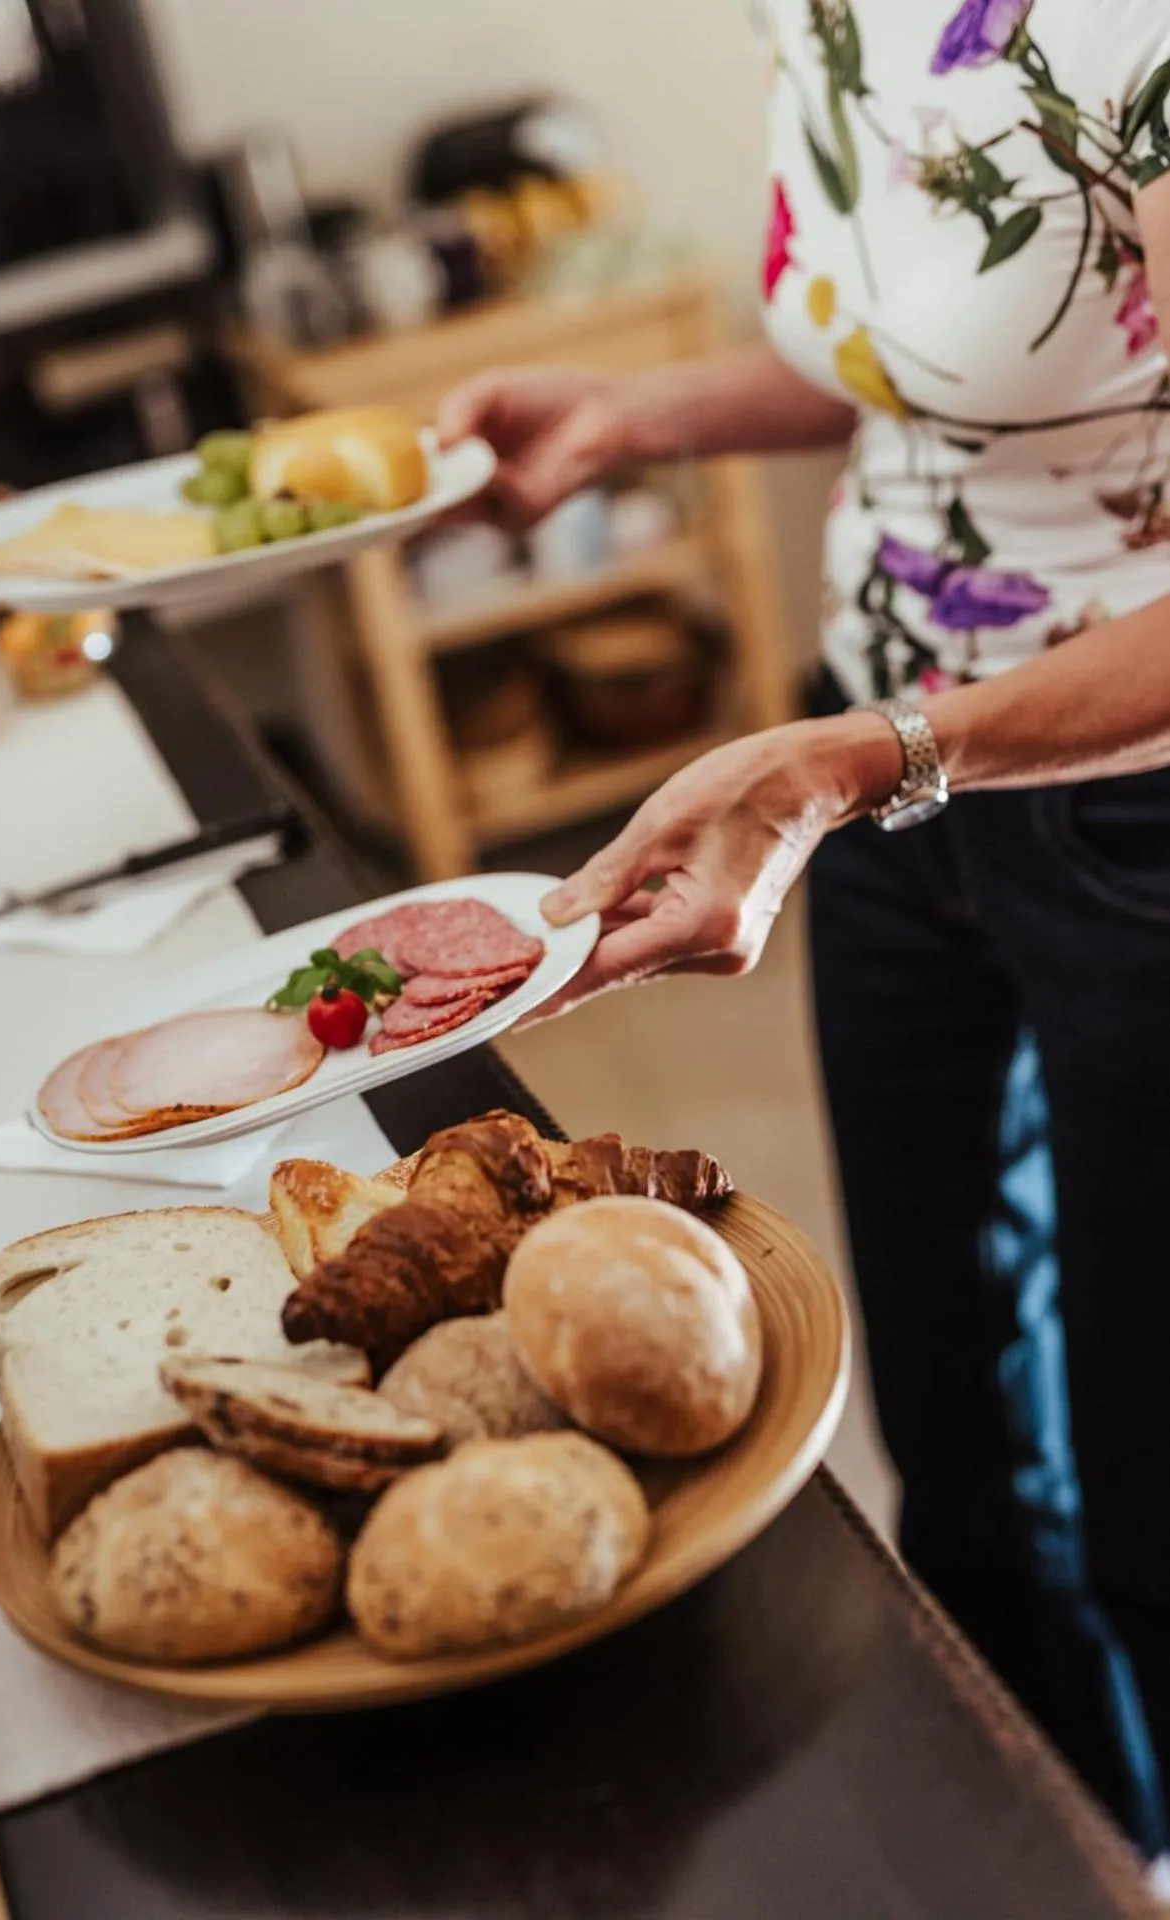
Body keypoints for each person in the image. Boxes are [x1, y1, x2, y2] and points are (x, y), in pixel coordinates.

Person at [438, 0, 1170, 1863]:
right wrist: (642, 416)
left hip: (1111, 796)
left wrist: (866, 763)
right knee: (955, 1441)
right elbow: (941, 357)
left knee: (1158, 1488)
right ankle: (1068, 1856)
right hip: (893, 774)